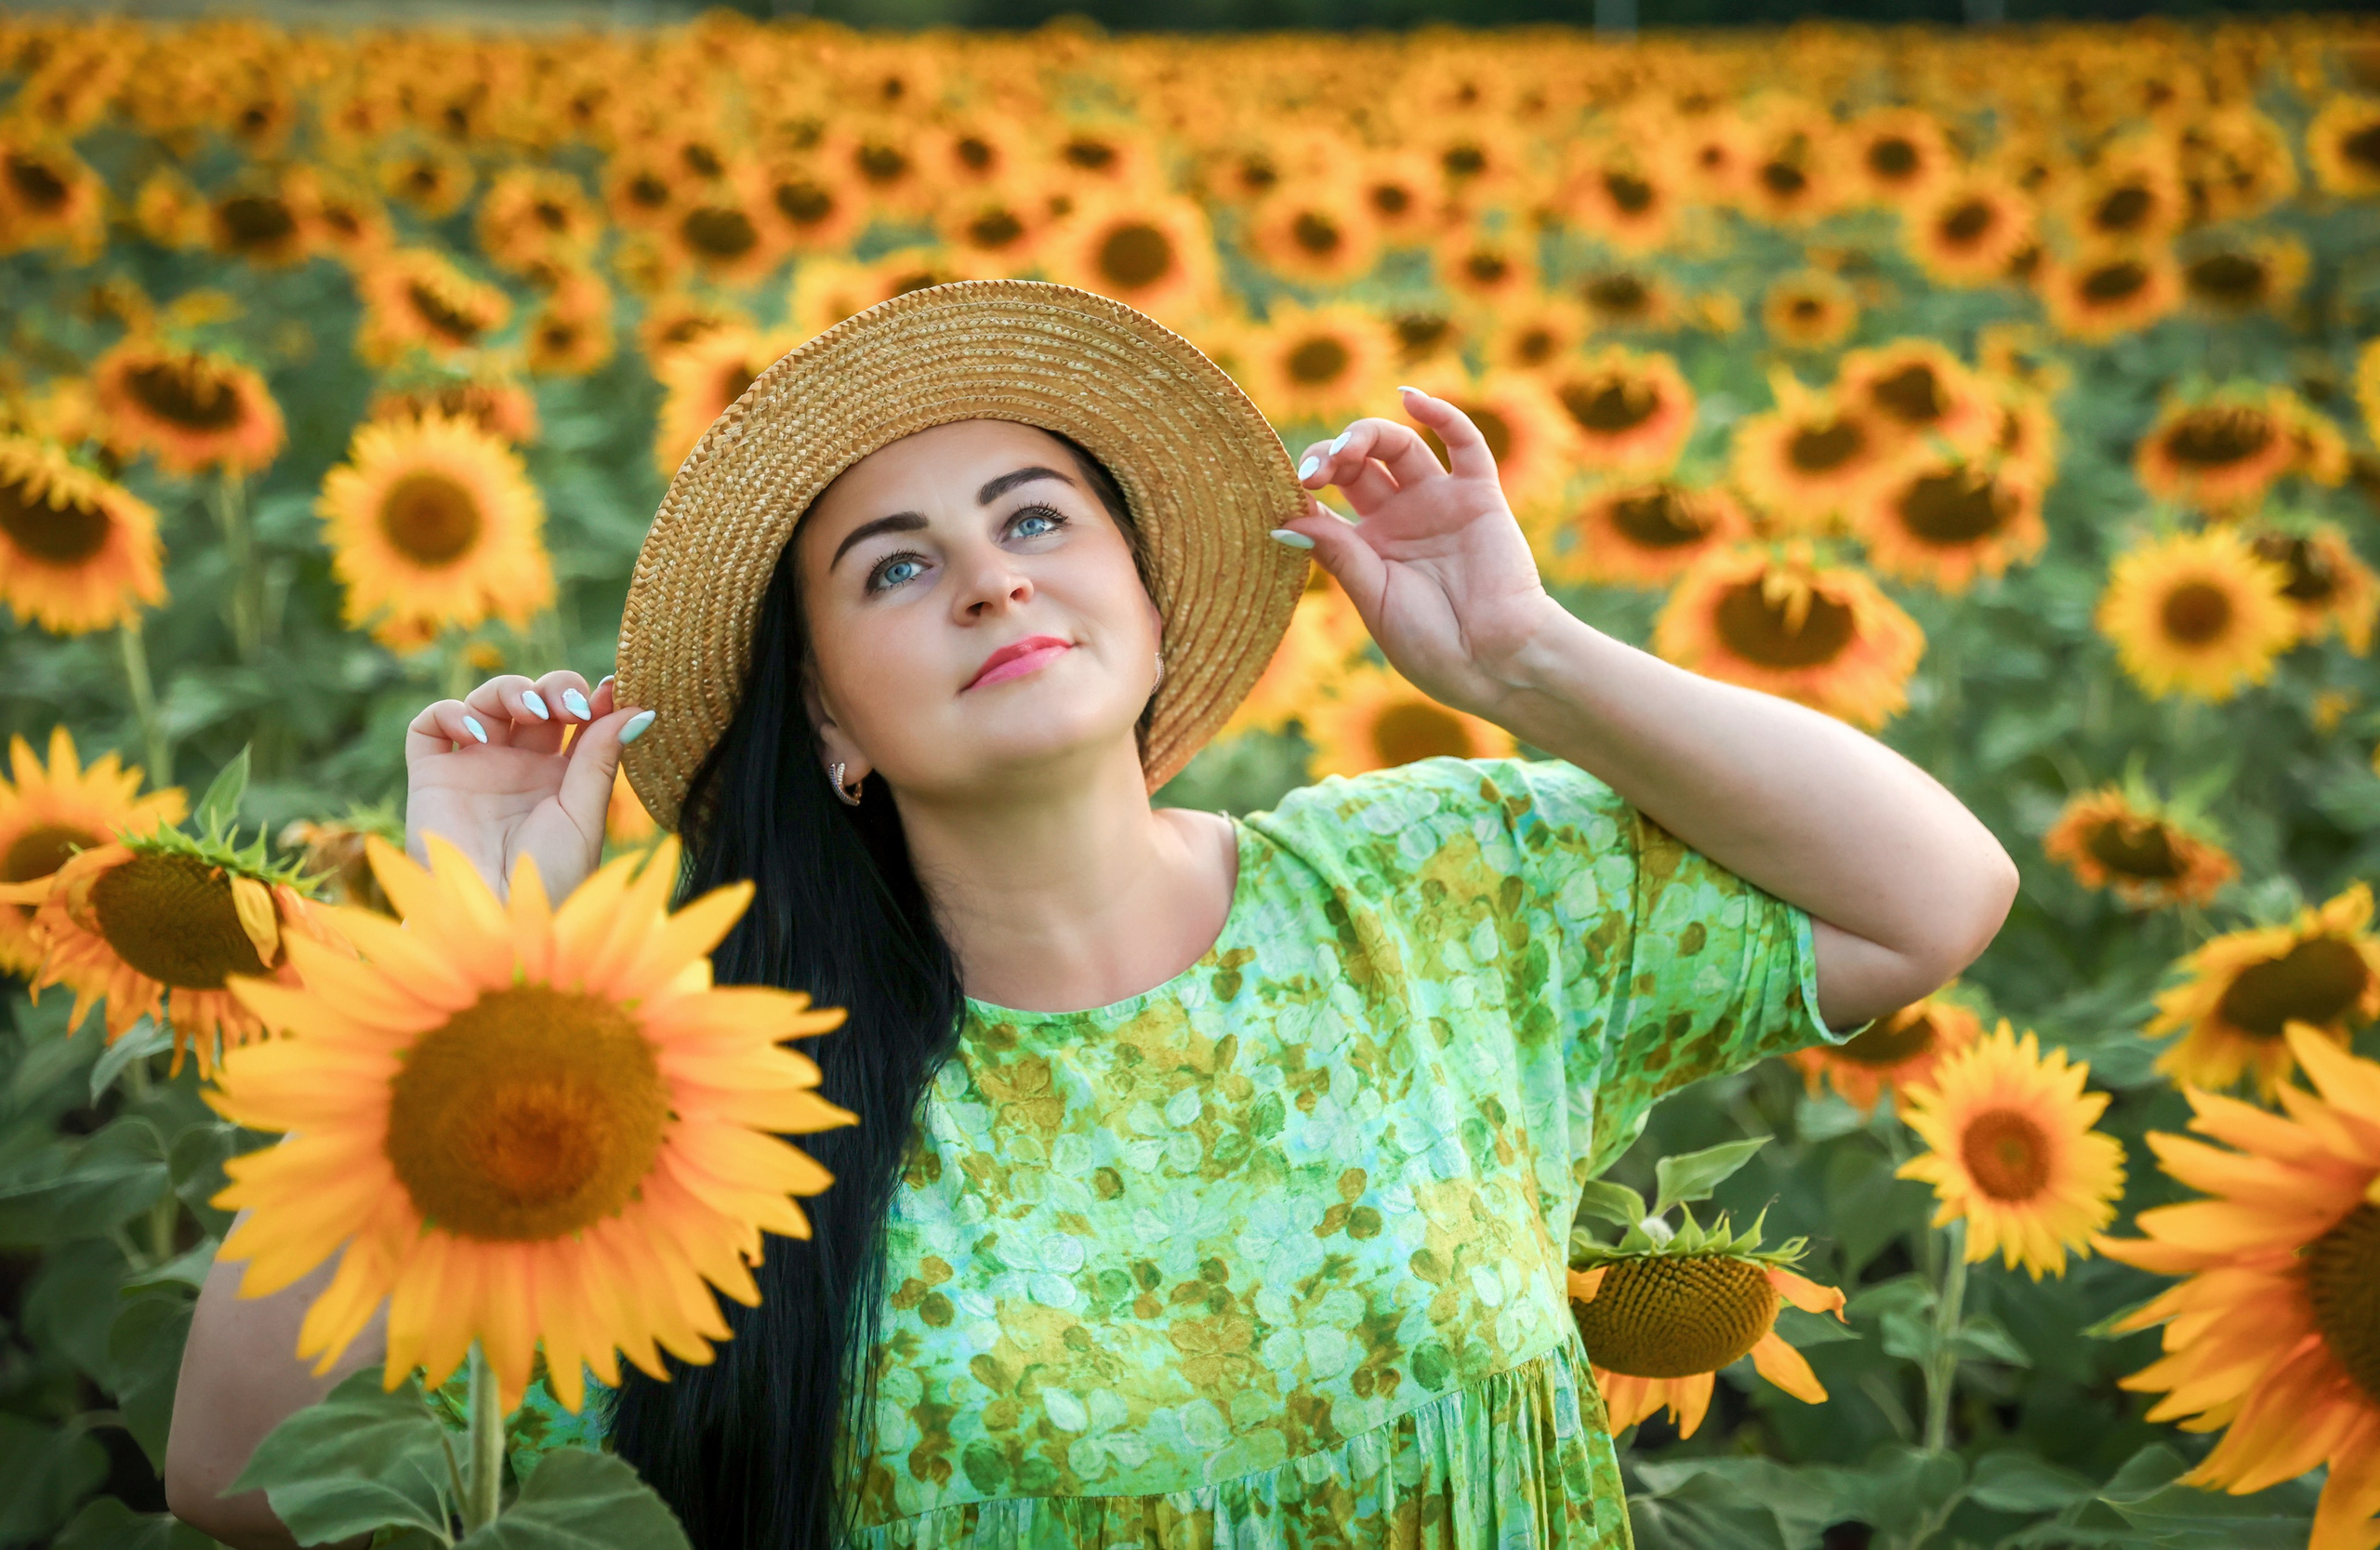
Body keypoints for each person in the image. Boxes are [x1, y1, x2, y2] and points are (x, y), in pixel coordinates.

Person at [168, 281, 2015, 1549]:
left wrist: (1515, 652)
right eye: (894, 564)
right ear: (825, 723)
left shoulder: (1432, 887)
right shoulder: (711, 1085)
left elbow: (1927, 894)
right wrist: (458, 961)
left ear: (1138, 589)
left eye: (1034, 517)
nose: (985, 576)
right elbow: (242, 1476)